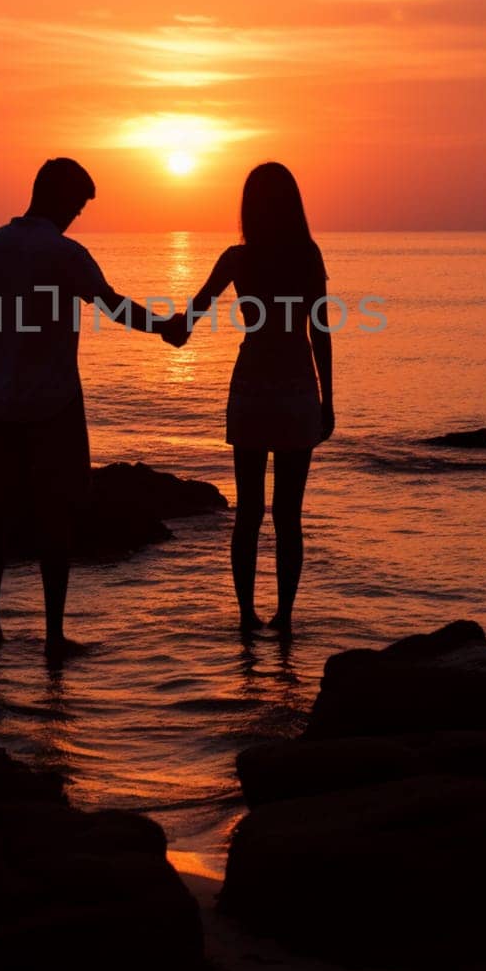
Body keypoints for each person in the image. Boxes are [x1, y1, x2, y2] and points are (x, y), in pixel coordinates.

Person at [0, 157, 173, 660]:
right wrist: (166, 327)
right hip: (54, 404)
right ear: (59, 198)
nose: (78, 215)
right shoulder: (65, 254)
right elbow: (112, 305)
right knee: (55, 517)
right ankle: (53, 635)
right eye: (77, 205)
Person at [164, 163, 334, 634]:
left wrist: (161, 327)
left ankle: (245, 617)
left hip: (253, 389)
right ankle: (283, 618)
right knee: (288, 516)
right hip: (297, 387)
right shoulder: (306, 255)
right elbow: (319, 332)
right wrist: (330, 399)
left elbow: (191, 316)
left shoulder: (237, 259)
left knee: (249, 513)